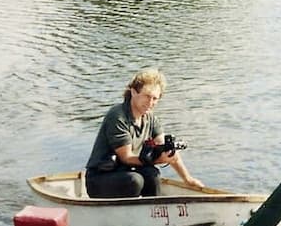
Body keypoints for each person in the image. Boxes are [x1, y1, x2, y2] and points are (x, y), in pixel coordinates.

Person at [85, 68, 204, 198]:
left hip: (126, 172)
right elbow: (127, 157)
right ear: (134, 92)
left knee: (152, 174)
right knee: (135, 181)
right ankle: (128, 215)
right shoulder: (117, 116)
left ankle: (154, 213)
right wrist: (158, 160)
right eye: (147, 96)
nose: (151, 103)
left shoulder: (150, 118)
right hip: (99, 178)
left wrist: (187, 179)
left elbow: (166, 149)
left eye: (155, 98)